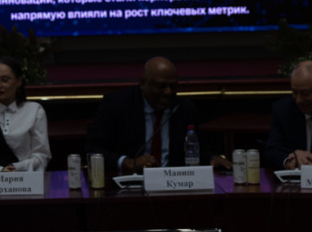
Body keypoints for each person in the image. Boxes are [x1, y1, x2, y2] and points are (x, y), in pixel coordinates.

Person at [87, 57, 229, 174]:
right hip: (130, 183)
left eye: (173, 87)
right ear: (143, 84)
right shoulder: (117, 104)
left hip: (175, 183)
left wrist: (211, 158)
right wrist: (127, 162)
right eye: (161, 86)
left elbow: (196, 150)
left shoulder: (184, 109)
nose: (168, 92)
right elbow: (93, 150)